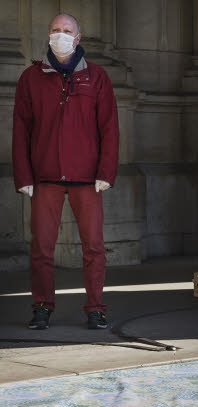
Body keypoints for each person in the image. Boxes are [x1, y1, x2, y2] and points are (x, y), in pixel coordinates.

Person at [12, 13, 119, 330]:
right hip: (44, 177)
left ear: (78, 37)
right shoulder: (31, 77)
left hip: (88, 179)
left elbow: (109, 129)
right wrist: (24, 176)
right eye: (56, 30)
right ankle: (42, 307)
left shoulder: (97, 77)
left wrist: (106, 172)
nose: (61, 34)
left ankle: (96, 308)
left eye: (67, 30)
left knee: (94, 248)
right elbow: (21, 129)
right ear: (48, 35)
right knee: (41, 249)